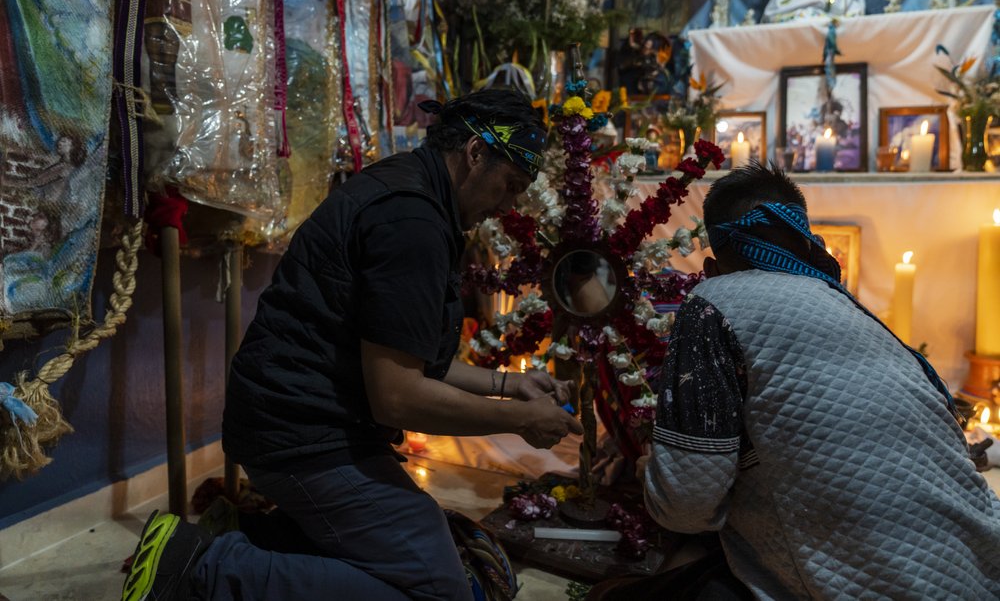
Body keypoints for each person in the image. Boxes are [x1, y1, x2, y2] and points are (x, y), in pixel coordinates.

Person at [122, 89, 583, 601]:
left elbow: (412, 357)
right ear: (475, 154)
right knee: (441, 591)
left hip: (304, 423)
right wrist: (521, 421)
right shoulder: (413, 222)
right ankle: (200, 568)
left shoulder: (414, 191)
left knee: (430, 556)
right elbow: (398, 396)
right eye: (510, 185)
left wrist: (509, 384)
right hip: (299, 435)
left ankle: (255, 537)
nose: (508, 205)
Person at [642, 162, 1000, 598]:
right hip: (979, 568)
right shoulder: (850, 308)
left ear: (713, 264)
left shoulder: (712, 303)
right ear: (805, 239)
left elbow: (688, 504)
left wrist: (653, 474)